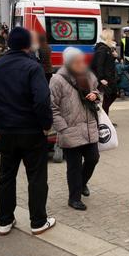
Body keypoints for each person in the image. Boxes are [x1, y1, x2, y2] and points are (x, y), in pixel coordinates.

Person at [0, 27, 56, 236]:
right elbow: (41, 100)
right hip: (31, 131)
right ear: (27, 45)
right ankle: (38, 221)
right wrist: (46, 124)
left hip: (5, 132)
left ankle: (4, 220)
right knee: (37, 177)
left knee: (6, 176)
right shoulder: (32, 68)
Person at [49, 47, 101, 211]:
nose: (81, 63)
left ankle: (82, 182)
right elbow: (52, 107)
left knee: (93, 158)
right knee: (74, 166)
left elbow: (98, 91)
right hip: (69, 129)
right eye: (77, 61)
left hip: (89, 126)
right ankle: (74, 198)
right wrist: (62, 128)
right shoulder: (57, 80)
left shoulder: (88, 75)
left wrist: (96, 95)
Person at [91, 29, 118, 115]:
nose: (114, 38)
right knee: (110, 96)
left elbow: (108, 62)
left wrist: (114, 57)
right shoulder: (102, 49)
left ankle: (104, 117)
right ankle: (104, 118)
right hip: (106, 78)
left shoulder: (107, 48)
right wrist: (101, 78)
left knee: (111, 96)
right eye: (112, 36)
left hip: (109, 76)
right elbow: (99, 65)